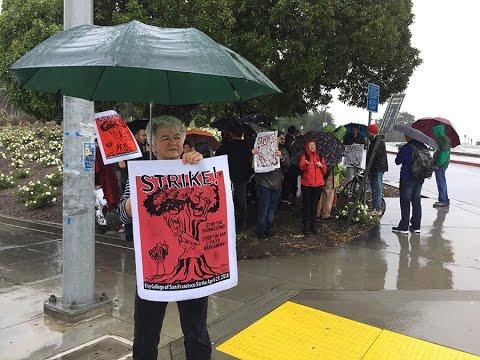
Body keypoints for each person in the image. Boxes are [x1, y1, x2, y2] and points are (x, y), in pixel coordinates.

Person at [119, 116, 211, 360]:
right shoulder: (140, 174)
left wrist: (201, 167)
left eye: (177, 137)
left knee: (197, 334)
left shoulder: (196, 168)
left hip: (191, 270)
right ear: (151, 143)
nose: (173, 142)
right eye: (165, 137)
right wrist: (134, 199)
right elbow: (123, 215)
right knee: (145, 337)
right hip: (153, 269)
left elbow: (224, 195)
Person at [253, 132, 291, 238]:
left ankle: (268, 229)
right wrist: (253, 155)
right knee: (264, 207)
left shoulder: (282, 150)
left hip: (276, 183)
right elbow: (252, 165)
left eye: (283, 138)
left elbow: (287, 165)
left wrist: (281, 157)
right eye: (280, 138)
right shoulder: (259, 148)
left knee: (272, 208)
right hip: (263, 183)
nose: (282, 140)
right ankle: (261, 232)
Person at [215, 123, 252, 227]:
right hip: (243, 175)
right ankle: (244, 219)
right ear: (241, 134)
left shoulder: (227, 146)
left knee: (228, 197)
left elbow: (218, 155)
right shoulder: (247, 145)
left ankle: (229, 219)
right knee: (242, 198)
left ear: (231, 133)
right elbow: (250, 159)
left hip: (229, 175)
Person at [118, 120, 149, 241]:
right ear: (136, 135)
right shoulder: (128, 147)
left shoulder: (141, 147)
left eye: (145, 135)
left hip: (138, 180)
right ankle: (129, 234)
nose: (144, 137)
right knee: (128, 205)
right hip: (128, 180)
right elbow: (120, 164)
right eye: (143, 135)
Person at [393, 135, 428, 234]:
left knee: (405, 201)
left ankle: (404, 227)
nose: (404, 137)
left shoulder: (406, 147)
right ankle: (416, 226)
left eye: (405, 136)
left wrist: (400, 151)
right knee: (416, 201)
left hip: (407, 178)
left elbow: (397, 161)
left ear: (409, 136)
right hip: (420, 178)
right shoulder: (423, 146)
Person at [317, 125, 346, 219]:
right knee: (329, 192)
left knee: (319, 191)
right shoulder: (335, 142)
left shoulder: (318, 141)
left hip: (319, 169)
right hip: (330, 170)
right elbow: (339, 157)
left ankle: (317, 212)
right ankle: (326, 213)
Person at [299, 140, 327, 234]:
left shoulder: (320, 156)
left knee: (314, 205)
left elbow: (324, 172)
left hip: (318, 185)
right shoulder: (304, 156)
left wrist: (321, 166)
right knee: (306, 205)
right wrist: (306, 164)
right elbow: (301, 167)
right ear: (307, 146)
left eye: (314, 145)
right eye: (310, 145)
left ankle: (313, 225)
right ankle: (306, 226)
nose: (312, 146)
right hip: (307, 185)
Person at [366, 123, 388, 215]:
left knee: (376, 188)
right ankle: (376, 207)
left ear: (372, 132)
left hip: (377, 169)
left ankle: (377, 208)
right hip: (376, 168)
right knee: (375, 188)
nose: (367, 133)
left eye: (368, 131)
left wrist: (371, 169)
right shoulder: (375, 141)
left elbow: (377, 157)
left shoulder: (377, 142)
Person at [432, 124, 450, 207]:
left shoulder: (444, 140)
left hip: (441, 165)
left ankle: (443, 200)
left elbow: (444, 154)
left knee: (441, 182)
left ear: (438, 130)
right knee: (440, 182)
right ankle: (443, 199)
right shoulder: (440, 139)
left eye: (435, 131)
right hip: (439, 164)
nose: (434, 132)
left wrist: (438, 164)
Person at [282, 126, 302, 204]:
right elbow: (293, 152)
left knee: (286, 181)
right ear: (294, 132)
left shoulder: (285, 139)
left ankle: (284, 197)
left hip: (285, 163)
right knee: (290, 181)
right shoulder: (292, 141)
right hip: (291, 164)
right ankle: (288, 197)